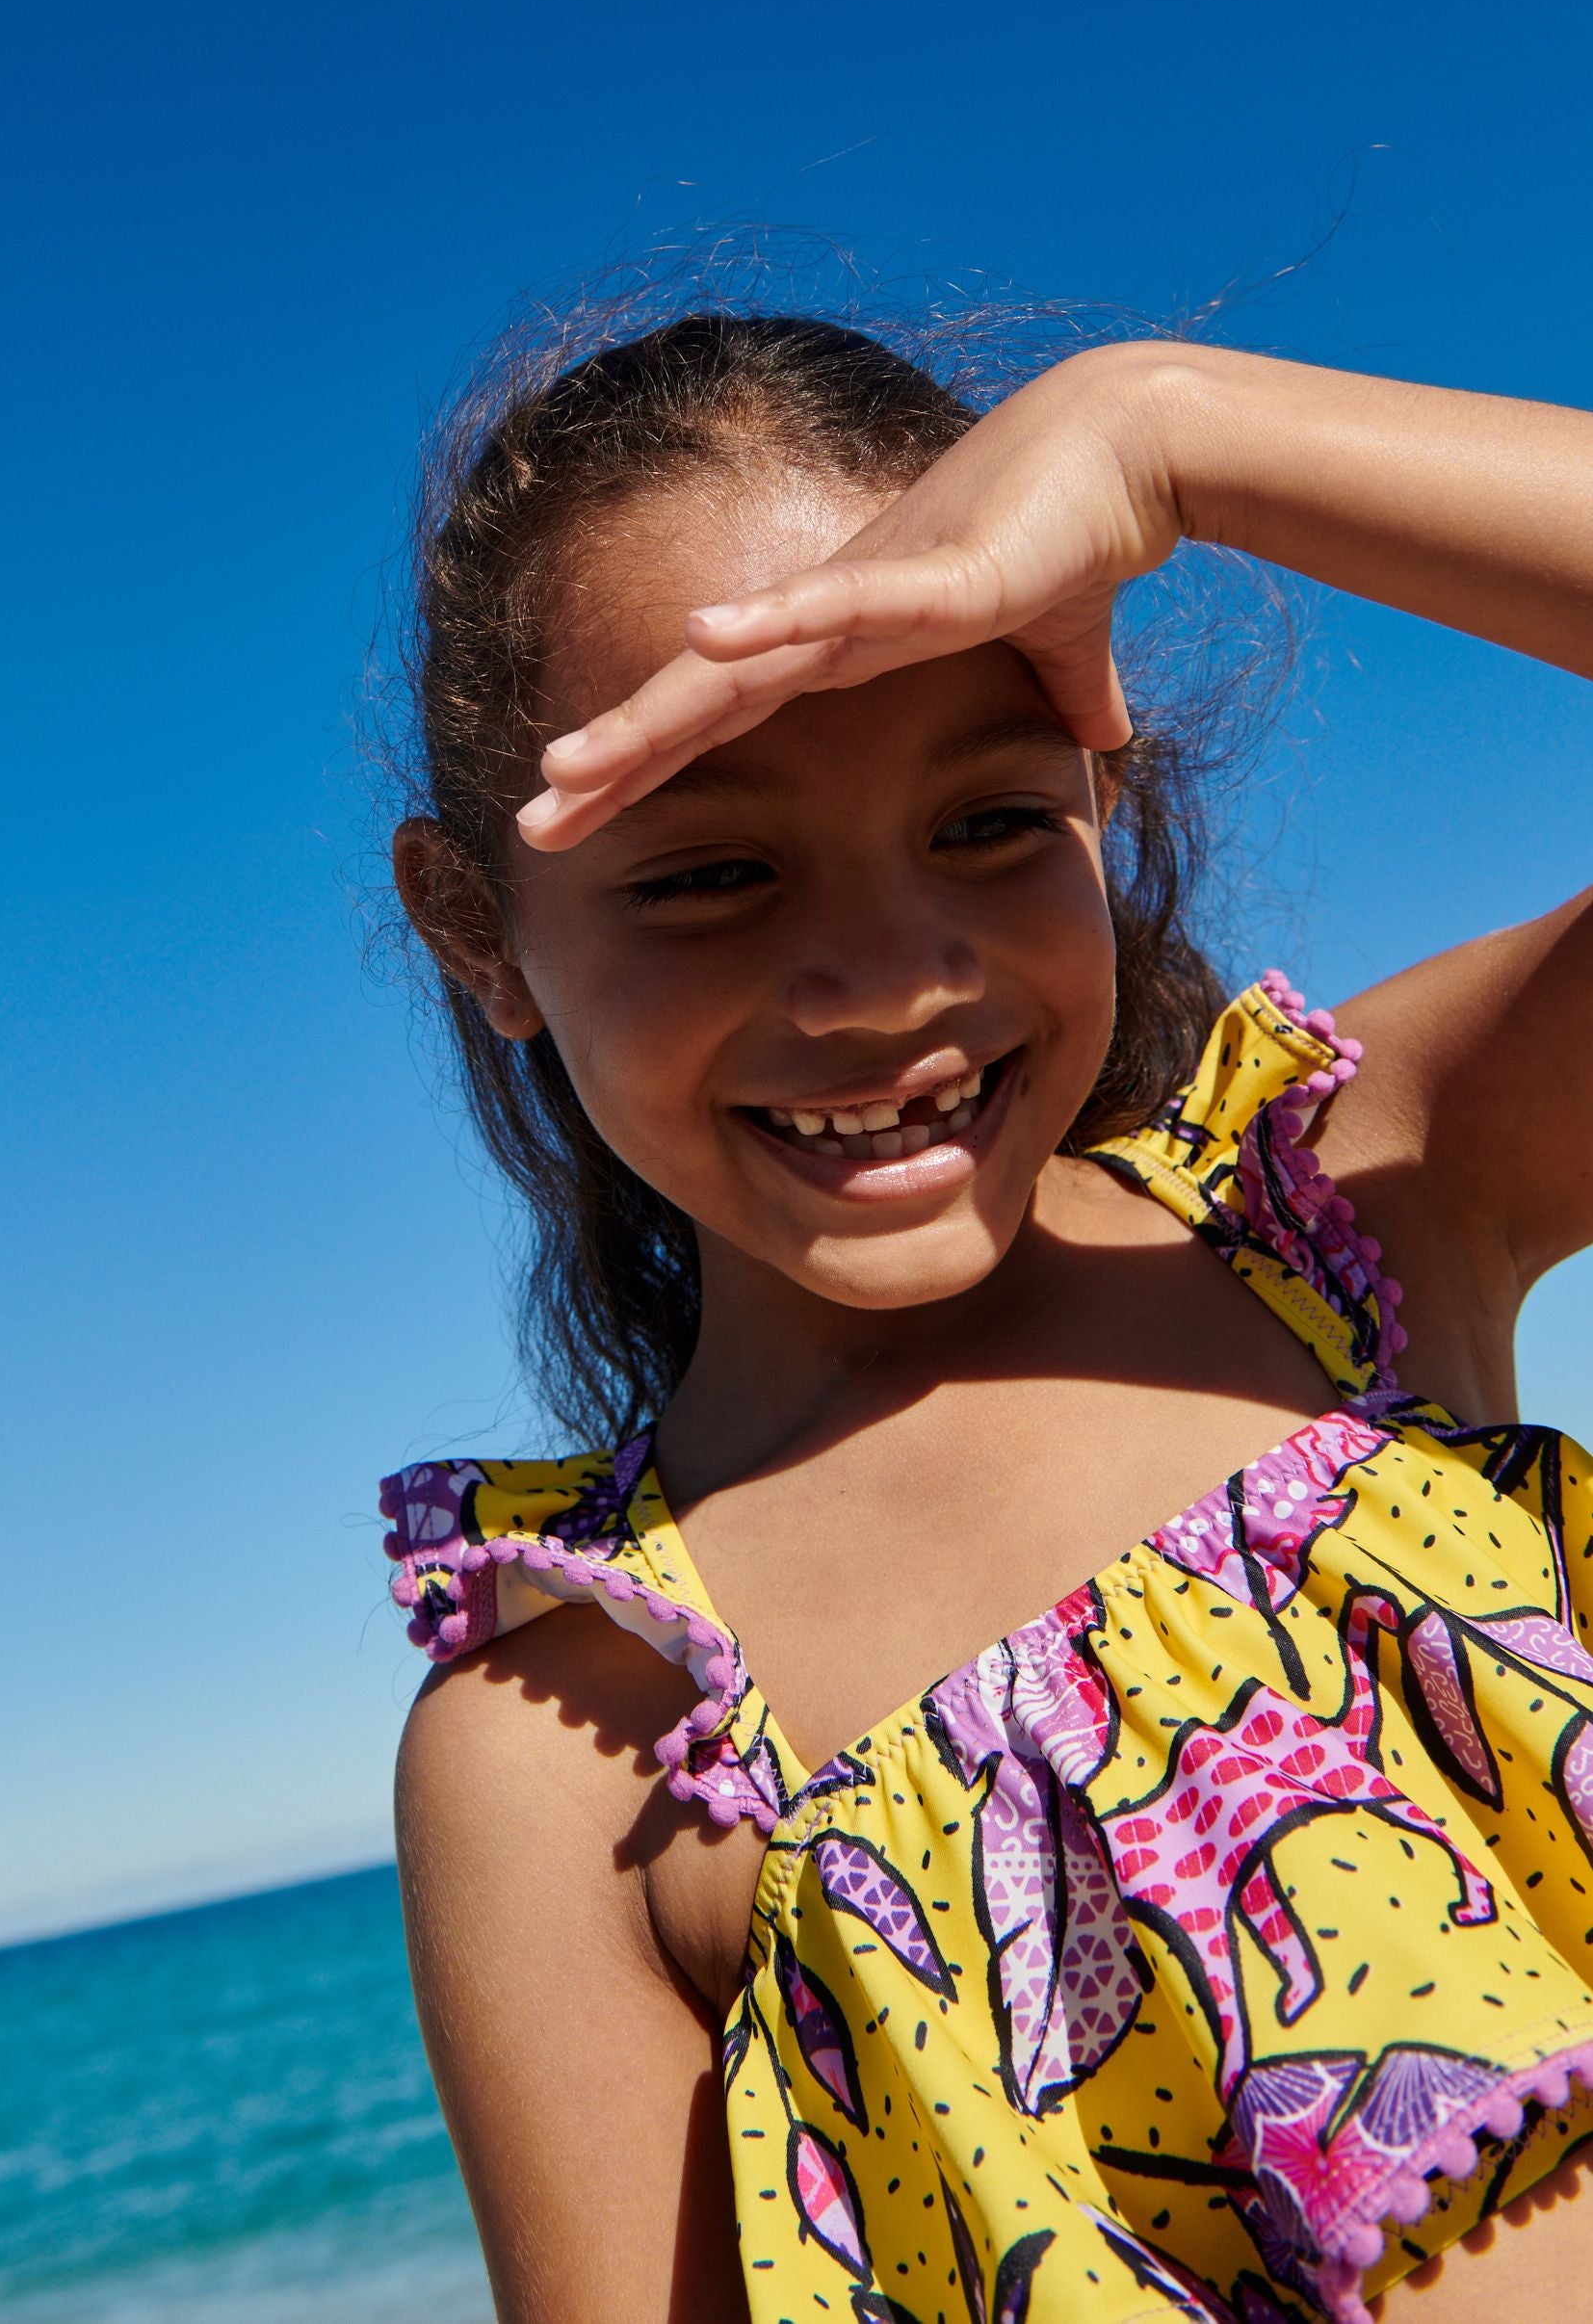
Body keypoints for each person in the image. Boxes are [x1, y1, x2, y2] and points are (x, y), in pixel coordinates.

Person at [378, 306, 1593, 2324]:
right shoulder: (583, 1747)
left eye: (987, 821)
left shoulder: (1348, 1203)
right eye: (709, 873)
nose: (881, 976)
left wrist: (1170, 430)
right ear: (476, 932)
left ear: (1102, 801)